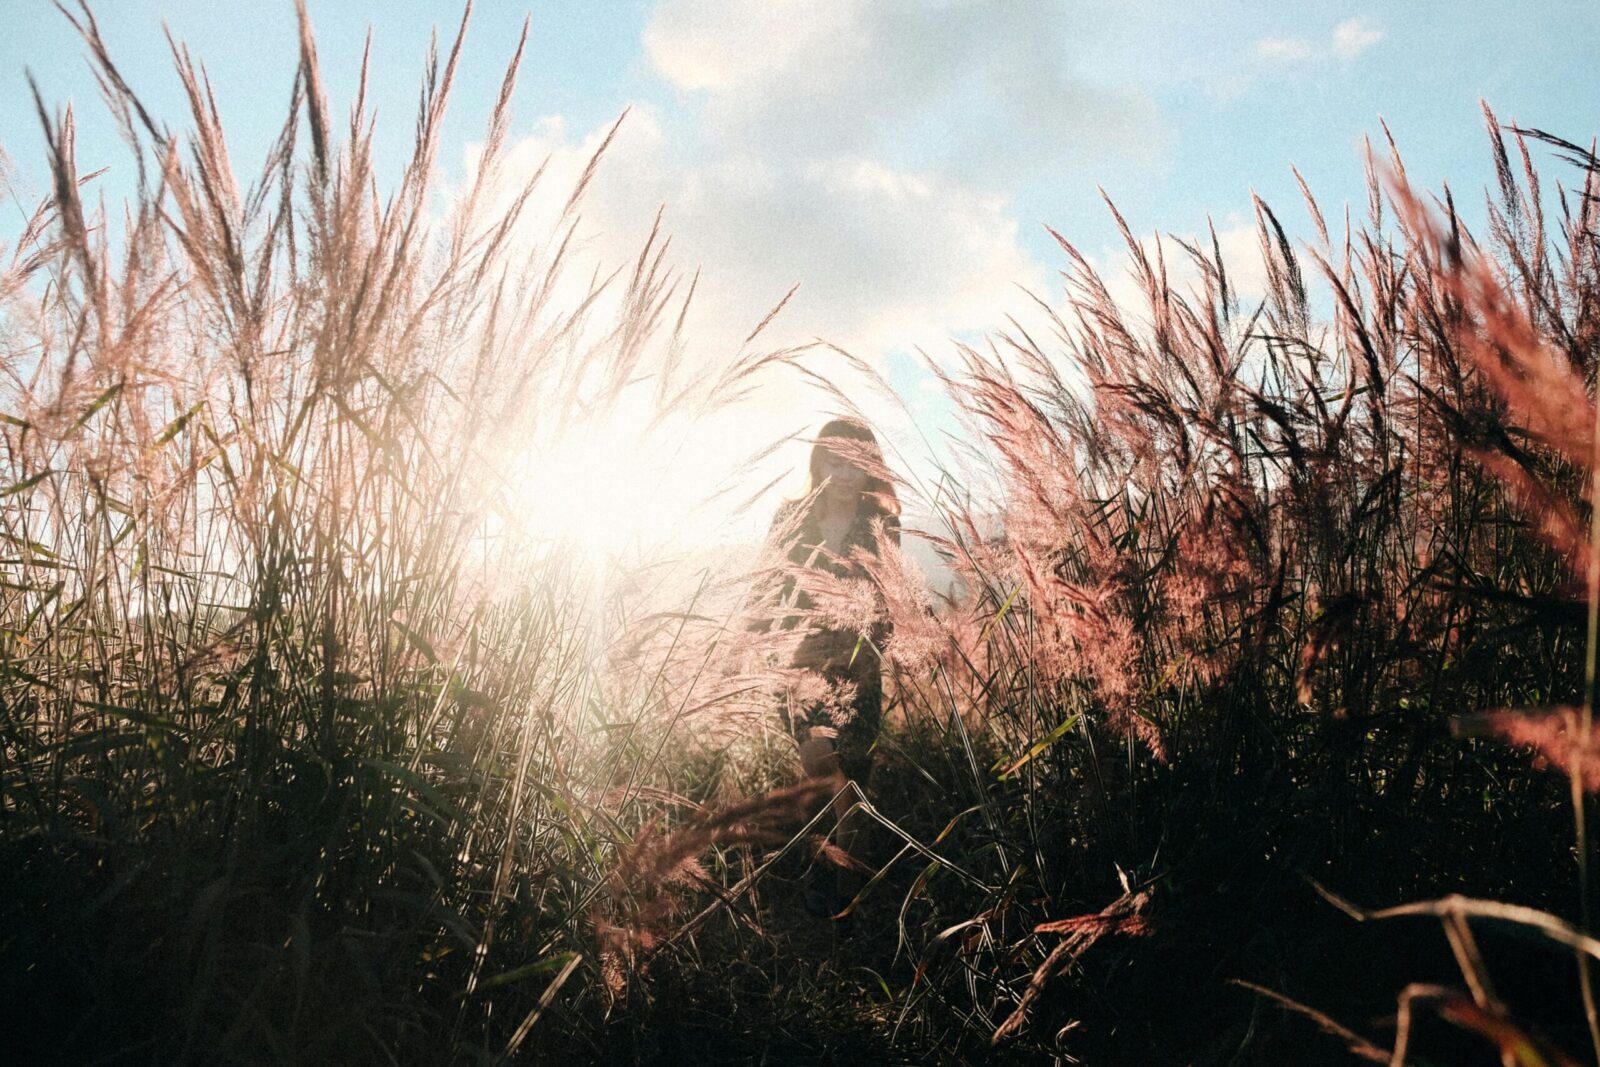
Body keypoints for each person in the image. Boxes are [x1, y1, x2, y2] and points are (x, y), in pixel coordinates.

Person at [754, 418, 900, 919]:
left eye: (854, 464)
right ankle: (823, 878)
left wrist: (885, 638)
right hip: (801, 667)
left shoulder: (882, 522)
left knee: (850, 788)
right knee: (822, 771)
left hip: (860, 670)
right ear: (819, 464)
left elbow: (891, 597)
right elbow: (766, 589)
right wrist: (759, 643)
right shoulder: (790, 516)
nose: (843, 474)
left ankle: (842, 900)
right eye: (833, 461)